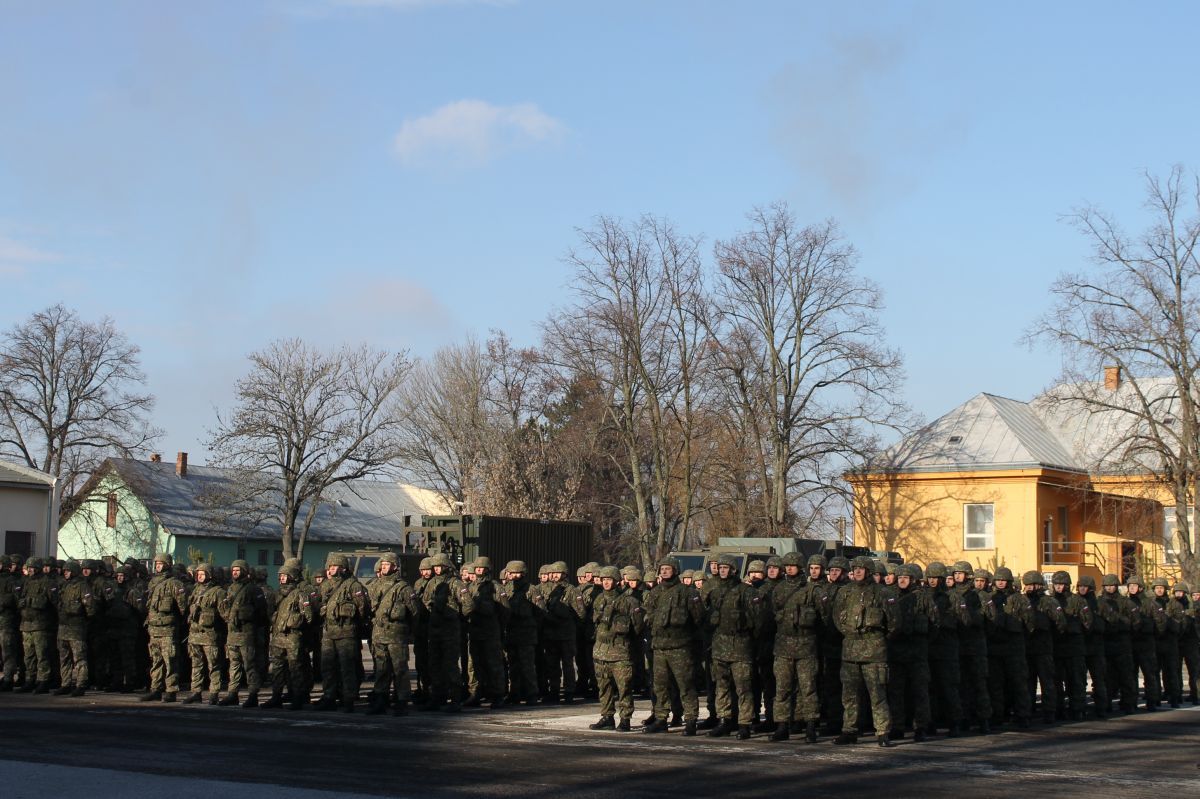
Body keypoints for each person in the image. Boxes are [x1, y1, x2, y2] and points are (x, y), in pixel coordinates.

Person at [831, 556, 897, 747]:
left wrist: (877, 639)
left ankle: (882, 732)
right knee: (849, 695)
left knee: (877, 694)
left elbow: (893, 622)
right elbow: (837, 618)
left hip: (874, 651)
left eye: (862, 569)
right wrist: (850, 634)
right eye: (855, 569)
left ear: (869, 571)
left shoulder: (883, 592)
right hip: (850, 650)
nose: (858, 572)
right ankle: (849, 730)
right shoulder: (845, 592)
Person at [642, 556, 703, 736]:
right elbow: (648, 614)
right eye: (662, 569)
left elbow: (698, 618)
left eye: (668, 568)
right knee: (660, 686)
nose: (664, 571)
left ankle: (690, 719)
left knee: (686, 685)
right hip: (660, 646)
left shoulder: (687, 593)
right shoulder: (655, 592)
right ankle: (661, 718)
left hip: (680, 647)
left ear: (675, 570)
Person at [705, 553, 762, 740]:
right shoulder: (714, 592)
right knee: (722, 687)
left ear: (733, 570)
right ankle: (724, 720)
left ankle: (744, 723)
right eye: (720, 567)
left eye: (726, 568)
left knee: (743, 687)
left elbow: (758, 620)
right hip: (720, 646)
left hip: (741, 646)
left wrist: (750, 639)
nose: (722, 570)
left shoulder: (747, 592)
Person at [770, 552, 823, 743]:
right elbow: (773, 614)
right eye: (787, 565)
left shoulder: (812, 590)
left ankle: (810, 726)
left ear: (800, 567)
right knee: (782, 689)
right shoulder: (778, 589)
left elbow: (823, 618)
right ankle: (782, 725)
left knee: (808, 688)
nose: (789, 568)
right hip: (783, 647)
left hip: (806, 646)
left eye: (793, 565)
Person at [588, 566, 646, 732]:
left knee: (624, 687)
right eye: (604, 580)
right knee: (604, 687)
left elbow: (638, 627)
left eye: (609, 580)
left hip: (620, 653)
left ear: (617, 581)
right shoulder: (599, 599)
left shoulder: (629, 601)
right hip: (601, 651)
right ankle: (607, 716)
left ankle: (625, 718)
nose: (606, 582)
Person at [366, 552, 422, 716]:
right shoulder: (374, 585)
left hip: (396, 634)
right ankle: (381, 699)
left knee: (400, 669)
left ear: (395, 567)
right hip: (378, 634)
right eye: (382, 564)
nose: (384, 567)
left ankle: (402, 701)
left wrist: (408, 630)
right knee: (381, 669)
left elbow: (415, 612)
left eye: (387, 564)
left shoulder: (403, 588)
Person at [316, 553, 369, 712]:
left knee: (347, 667)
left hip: (346, 632)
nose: (331, 569)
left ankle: (348, 699)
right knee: (327, 667)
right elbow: (318, 604)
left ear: (343, 568)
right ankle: (329, 696)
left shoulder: (353, 585)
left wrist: (353, 624)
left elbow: (362, 608)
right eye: (330, 566)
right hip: (328, 632)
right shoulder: (325, 585)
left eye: (335, 566)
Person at [420, 553, 470, 711]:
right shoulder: (432, 583)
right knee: (434, 664)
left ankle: (455, 699)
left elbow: (468, 605)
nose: (436, 569)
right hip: (435, 629)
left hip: (450, 631)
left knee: (450, 665)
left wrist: (456, 617)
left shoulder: (456, 583)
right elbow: (425, 601)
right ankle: (437, 697)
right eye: (434, 566)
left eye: (439, 566)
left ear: (446, 566)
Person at [219, 558, 266, 708]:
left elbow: (262, 613)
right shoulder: (230, 589)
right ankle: (233, 693)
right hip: (232, 634)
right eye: (233, 570)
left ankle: (253, 694)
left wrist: (248, 618)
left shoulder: (253, 589)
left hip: (247, 634)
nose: (234, 572)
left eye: (238, 570)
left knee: (250, 665)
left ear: (244, 572)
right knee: (234, 665)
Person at [141, 553, 187, 703]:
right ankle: (155, 688)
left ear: (167, 565)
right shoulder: (152, 583)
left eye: (161, 564)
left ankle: (171, 690)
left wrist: (176, 623)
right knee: (156, 660)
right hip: (154, 629)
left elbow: (183, 608)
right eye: (156, 564)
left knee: (170, 661)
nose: (158, 566)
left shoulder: (175, 584)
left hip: (168, 629)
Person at [464, 556, 507, 709]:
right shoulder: (469, 587)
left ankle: (497, 695)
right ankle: (475, 693)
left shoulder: (495, 587)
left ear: (488, 569)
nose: (479, 570)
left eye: (482, 568)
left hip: (490, 632)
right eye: (477, 568)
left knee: (494, 664)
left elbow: (505, 610)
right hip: (474, 631)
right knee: (474, 665)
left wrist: (498, 626)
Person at [499, 560, 542, 705]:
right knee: (513, 666)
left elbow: (540, 612)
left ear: (523, 573)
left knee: (527, 666)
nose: (512, 576)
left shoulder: (531, 589)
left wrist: (530, 625)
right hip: (511, 633)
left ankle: (532, 693)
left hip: (526, 634)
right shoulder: (506, 589)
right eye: (510, 573)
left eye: (516, 573)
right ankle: (514, 693)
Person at [53, 560, 98, 696]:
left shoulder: (82, 586)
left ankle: (81, 684)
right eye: (65, 571)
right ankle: (65, 684)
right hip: (63, 627)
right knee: (64, 658)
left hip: (76, 628)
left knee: (79, 658)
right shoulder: (64, 585)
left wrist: (83, 620)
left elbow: (90, 608)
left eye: (68, 571)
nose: (65, 573)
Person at [182, 563, 224, 705]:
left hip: (209, 634)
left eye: (203, 574)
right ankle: (196, 692)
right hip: (194, 634)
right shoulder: (195, 590)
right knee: (196, 664)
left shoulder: (218, 592)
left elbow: (224, 615)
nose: (200, 576)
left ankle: (214, 693)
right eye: (198, 574)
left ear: (209, 575)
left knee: (213, 665)